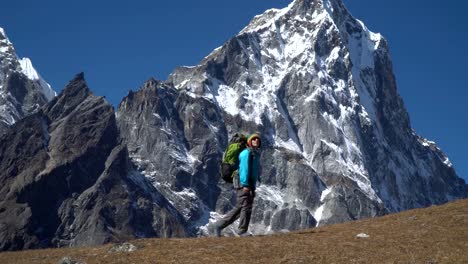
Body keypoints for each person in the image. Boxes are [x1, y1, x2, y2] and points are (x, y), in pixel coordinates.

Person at [212, 133, 261, 237]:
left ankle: (219, 225)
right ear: (249, 142)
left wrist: (252, 185)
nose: (256, 141)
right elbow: (244, 169)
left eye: (258, 139)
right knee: (245, 206)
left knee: (241, 206)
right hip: (242, 182)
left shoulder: (255, 154)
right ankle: (242, 231)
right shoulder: (246, 153)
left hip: (248, 183)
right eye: (254, 139)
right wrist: (245, 184)